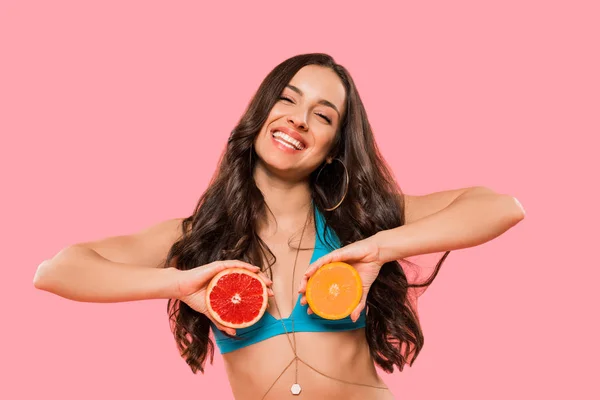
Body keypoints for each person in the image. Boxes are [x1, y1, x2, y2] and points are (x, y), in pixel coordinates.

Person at [33, 53, 525, 400]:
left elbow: (499, 206)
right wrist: (179, 284)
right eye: (287, 100)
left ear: (334, 146)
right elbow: (57, 270)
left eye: (323, 115)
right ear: (262, 111)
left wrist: (379, 248)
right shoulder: (196, 236)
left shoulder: (357, 223)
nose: (298, 120)